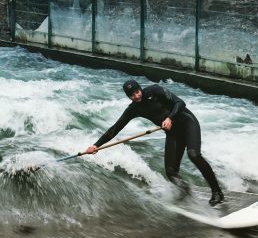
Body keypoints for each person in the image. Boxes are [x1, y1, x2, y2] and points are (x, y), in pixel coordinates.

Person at [85, 80, 224, 206]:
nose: (137, 96)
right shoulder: (133, 109)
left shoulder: (155, 91)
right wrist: (96, 145)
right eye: (132, 95)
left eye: (137, 92)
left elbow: (180, 103)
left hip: (188, 123)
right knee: (170, 172)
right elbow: (115, 129)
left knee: (193, 154)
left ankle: (217, 192)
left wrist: (170, 118)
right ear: (129, 97)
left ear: (140, 89)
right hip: (173, 134)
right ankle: (185, 192)